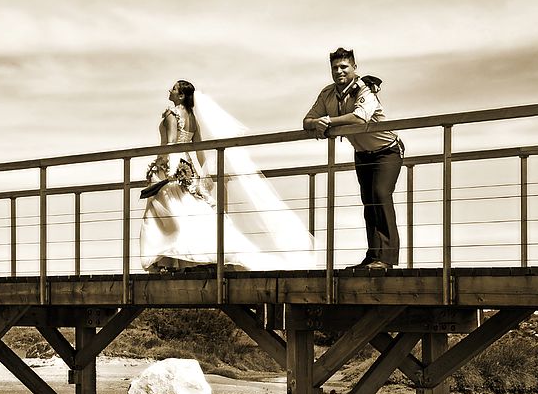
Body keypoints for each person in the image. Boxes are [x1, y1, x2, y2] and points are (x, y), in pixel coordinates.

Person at [140, 80, 315, 272]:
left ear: (181, 95)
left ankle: (173, 257)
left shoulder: (172, 115)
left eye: (173, 88)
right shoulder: (192, 118)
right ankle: (185, 258)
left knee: (166, 209)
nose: (170, 90)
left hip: (172, 165)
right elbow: (199, 149)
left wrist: (161, 165)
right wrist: (200, 174)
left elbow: (171, 144)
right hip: (187, 166)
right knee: (186, 208)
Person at [303, 47, 404, 270]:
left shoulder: (365, 88)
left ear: (354, 68)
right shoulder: (327, 94)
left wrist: (328, 121)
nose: (339, 71)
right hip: (362, 154)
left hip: (387, 150)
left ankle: (387, 259)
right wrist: (315, 123)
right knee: (369, 202)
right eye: (334, 68)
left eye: (343, 67)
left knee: (380, 195)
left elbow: (360, 119)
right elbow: (307, 120)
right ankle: (373, 256)